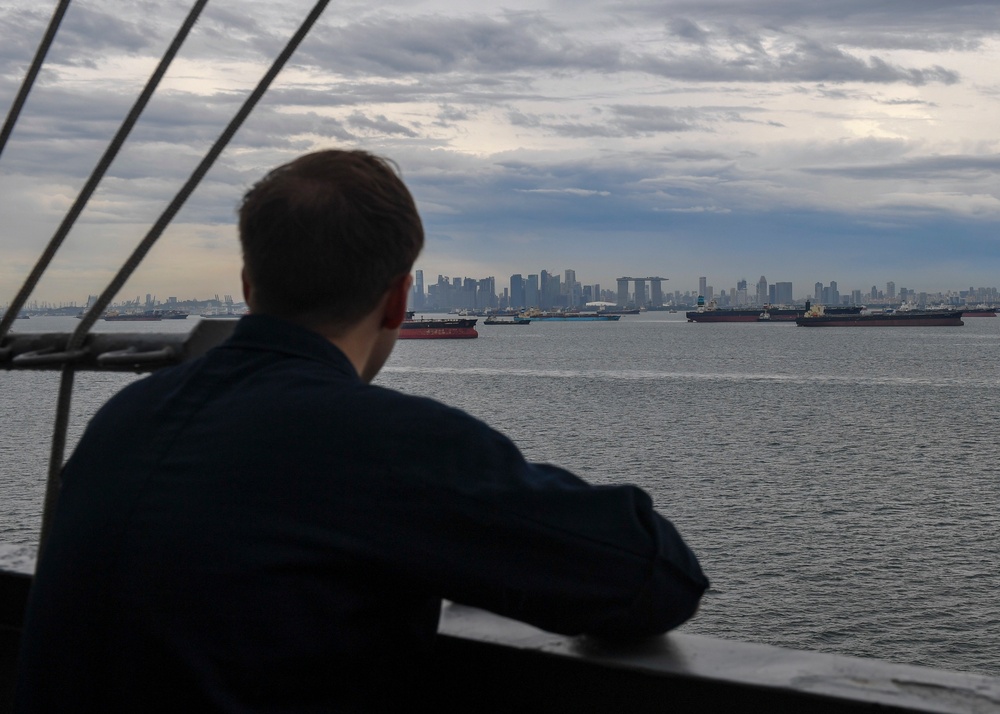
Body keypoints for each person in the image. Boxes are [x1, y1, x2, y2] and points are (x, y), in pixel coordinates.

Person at [16, 149, 707, 712]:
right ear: (401, 298)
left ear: (250, 285)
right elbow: (657, 576)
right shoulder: (390, 447)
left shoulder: (123, 420)